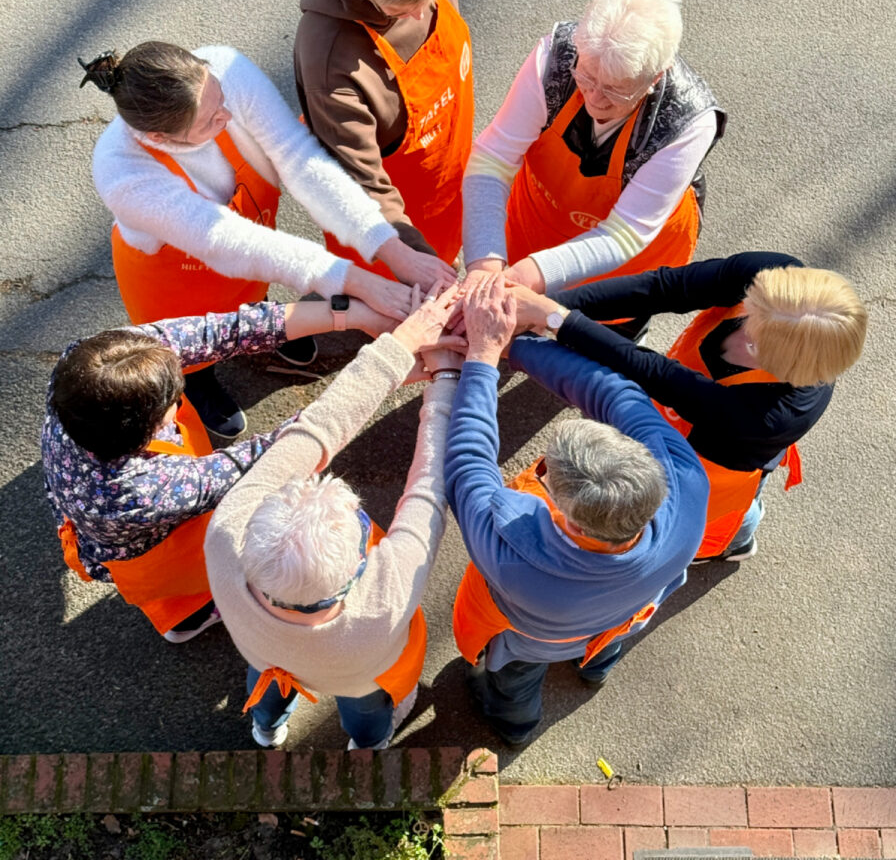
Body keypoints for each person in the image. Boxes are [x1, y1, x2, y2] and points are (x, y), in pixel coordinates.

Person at [80, 42, 435, 438]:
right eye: (211, 120)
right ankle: (197, 383)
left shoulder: (226, 69)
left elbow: (297, 157)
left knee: (252, 294)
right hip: (174, 283)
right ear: (160, 135)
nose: (228, 115)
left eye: (220, 95)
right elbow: (230, 242)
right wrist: (362, 282)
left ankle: (261, 334)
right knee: (192, 346)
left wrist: (387, 244)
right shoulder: (123, 172)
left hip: (247, 260)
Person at [445, 275, 708, 745]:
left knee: (515, 680)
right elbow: (617, 395)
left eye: (545, 476)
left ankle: (516, 724)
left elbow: (468, 462)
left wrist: (486, 354)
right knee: (609, 637)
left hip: (534, 639)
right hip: (626, 608)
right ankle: (598, 665)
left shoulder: (513, 555)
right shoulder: (688, 485)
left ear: (564, 512)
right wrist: (512, 346)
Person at [43, 297, 392, 641]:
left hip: (108, 527)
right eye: (171, 401)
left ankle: (182, 614)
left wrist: (350, 314)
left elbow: (216, 332)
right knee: (194, 575)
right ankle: (188, 619)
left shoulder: (84, 368)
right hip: (156, 551)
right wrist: (379, 375)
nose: (181, 393)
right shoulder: (137, 492)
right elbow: (270, 455)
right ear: (145, 431)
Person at [205, 285, 463, 749]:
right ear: (353, 572)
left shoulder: (225, 534)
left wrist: (402, 350)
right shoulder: (380, 607)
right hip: (357, 679)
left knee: (266, 685)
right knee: (367, 715)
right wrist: (442, 379)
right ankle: (367, 746)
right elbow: (424, 494)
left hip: (265, 654)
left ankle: (266, 729)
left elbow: (318, 432)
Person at [511, 252, 868, 560]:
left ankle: (737, 536)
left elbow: (656, 374)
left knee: (683, 531)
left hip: (710, 464)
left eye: (754, 335)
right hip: (677, 413)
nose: (743, 319)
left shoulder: (767, 417)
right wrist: (542, 308)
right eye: (751, 306)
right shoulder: (773, 279)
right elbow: (662, 288)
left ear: (781, 365)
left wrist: (555, 319)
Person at [462, 0, 726, 321]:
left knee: (599, 329)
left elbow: (624, 233)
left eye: (616, 91)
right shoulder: (556, 58)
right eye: (586, 77)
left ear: (656, 77)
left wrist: (525, 277)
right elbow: (492, 160)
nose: (594, 99)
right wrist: (485, 265)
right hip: (542, 216)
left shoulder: (690, 121)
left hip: (625, 255)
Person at [294, 0, 473, 276]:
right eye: (403, 10)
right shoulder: (331, 59)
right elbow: (362, 186)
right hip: (388, 229)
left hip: (449, 183)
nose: (423, 13)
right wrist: (418, 262)